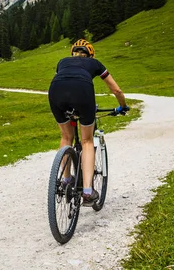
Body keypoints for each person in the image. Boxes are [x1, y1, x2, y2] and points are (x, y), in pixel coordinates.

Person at [48, 39, 129, 204]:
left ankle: (66, 180)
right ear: (90, 54)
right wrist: (123, 106)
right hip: (82, 91)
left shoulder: (62, 62)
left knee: (66, 137)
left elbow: (64, 81)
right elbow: (117, 90)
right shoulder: (95, 63)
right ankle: (87, 191)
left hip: (55, 91)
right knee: (86, 141)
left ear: (73, 53)